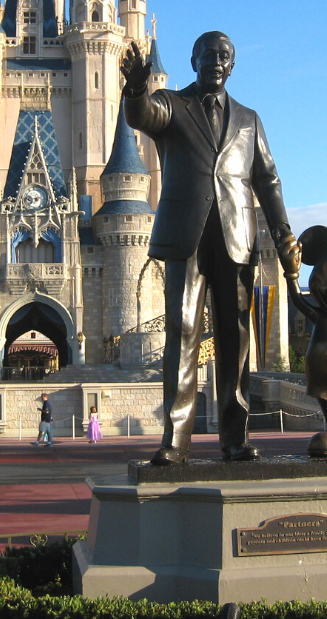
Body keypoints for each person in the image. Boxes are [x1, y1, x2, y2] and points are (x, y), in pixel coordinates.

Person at [122, 32, 295, 465]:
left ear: (232, 65)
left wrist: (284, 234)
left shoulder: (249, 119)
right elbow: (140, 116)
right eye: (209, 53)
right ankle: (175, 441)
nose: (217, 61)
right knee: (181, 333)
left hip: (236, 239)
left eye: (225, 55)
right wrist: (137, 87)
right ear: (193, 58)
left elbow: (268, 181)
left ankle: (235, 438)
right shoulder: (172, 105)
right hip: (187, 237)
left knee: (236, 340)